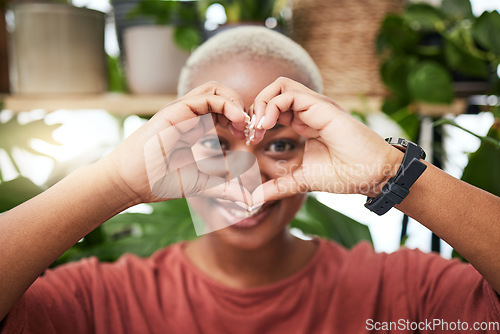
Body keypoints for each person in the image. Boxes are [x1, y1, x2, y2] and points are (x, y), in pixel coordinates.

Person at [1, 26, 499, 334]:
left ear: (314, 144)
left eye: (279, 143)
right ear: (178, 146)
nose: (246, 174)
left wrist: (390, 173)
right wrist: (116, 182)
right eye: (216, 145)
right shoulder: (99, 302)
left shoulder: (403, 296)